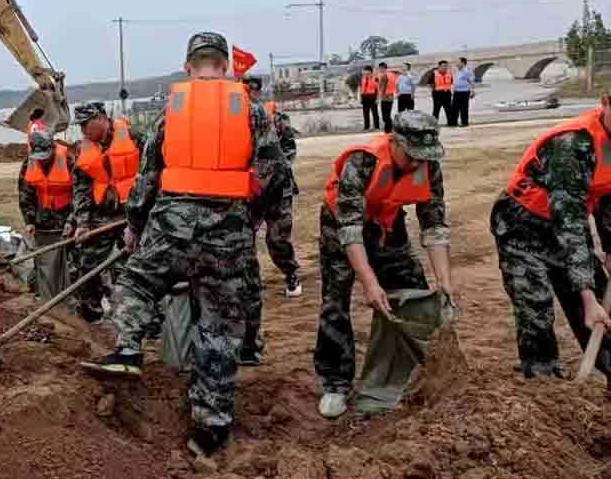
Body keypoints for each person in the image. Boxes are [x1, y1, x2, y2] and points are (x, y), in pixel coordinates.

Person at [82, 32, 288, 459]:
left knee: (137, 282)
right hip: (227, 233)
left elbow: (147, 176)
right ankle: (208, 430)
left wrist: (136, 224)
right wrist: (247, 218)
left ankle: (127, 349)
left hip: (170, 225)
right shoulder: (250, 109)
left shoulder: (170, 111)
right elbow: (273, 172)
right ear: (227, 66)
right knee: (219, 325)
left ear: (189, 66)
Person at [315, 110, 453, 419]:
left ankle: (411, 371)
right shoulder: (361, 163)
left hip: (388, 225)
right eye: (412, 156)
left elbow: (434, 225)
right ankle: (336, 383)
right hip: (341, 228)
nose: (418, 163)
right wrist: (370, 282)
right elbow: (349, 230)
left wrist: (444, 283)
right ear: (396, 142)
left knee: (417, 292)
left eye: (424, 156)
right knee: (335, 302)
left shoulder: (428, 165)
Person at [491, 96, 611, 381]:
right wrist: (587, 297)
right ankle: (542, 375)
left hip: (568, 219)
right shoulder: (571, 145)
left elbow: (606, 193)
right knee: (536, 305)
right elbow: (568, 224)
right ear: (605, 102)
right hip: (522, 224)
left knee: (600, 295)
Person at [240, 75, 303, 368]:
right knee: (243, 241)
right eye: (245, 90)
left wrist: (273, 169)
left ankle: (291, 273)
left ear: (258, 91)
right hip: (249, 192)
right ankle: (249, 286)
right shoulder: (237, 117)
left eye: (252, 90)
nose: (248, 94)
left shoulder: (276, 116)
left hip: (278, 189)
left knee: (277, 240)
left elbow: (288, 148)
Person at [71, 102, 145, 322]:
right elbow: (81, 191)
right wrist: (82, 223)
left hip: (132, 213)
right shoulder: (83, 149)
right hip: (101, 216)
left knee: (138, 266)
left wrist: (139, 219)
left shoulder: (135, 137)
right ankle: (91, 313)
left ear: (102, 118)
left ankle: (143, 319)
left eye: (87, 124)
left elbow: (152, 175)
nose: (84, 130)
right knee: (88, 263)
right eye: (80, 126)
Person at [18, 130, 75, 300]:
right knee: (43, 258)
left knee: (72, 257)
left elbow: (80, 193)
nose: (43, 160)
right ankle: (43, 293)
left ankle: (72, 294)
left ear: (52, 147)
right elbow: (25, 194)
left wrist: (72, 220)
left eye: (46, 156)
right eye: (39, 157)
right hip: (43, 219)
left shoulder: (69, 159)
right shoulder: (29, 162)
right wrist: (29, 220)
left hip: (66, 215)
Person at [452, 57, 475, 127]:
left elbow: (471, 81)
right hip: (456, 91)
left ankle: (464, 123)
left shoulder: (467, 71)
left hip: (464, 92)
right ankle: (454, 122)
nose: (457, 63)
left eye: (458, 62)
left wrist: (472, 91)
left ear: (463, 63)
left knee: (463, 108)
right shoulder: (457, 71)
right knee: (455, 107)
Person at [431, 60, 454, 126]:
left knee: (449, 110)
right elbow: (431, 84)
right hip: (437, 94)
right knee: (436, 110)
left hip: (447, 94)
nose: (445, 67)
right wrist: (433, 91)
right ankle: (434, 124)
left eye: (446, 66)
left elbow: (451, 82)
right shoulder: (434, 73)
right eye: (443, 66)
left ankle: (451, 123)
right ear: (439, 66)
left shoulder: (449, 73)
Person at [377, 62, 397, 133]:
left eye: (379, 68)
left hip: (385, 98)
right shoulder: (392, 75)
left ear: (382, 68)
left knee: (385, 117)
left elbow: (382, 88)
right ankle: (389, 129)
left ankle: (388, 130)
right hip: (391, 97)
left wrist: (378, 98)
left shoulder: (384, 76)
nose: (379, 70)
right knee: (387, 115)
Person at [359, 65, 380, 131]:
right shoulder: (362, 79)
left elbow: (378, 90)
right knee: (365, 113)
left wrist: (377, 99)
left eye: (367, 73)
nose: (365, 74)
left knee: (375, 113)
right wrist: (360, 98)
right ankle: (366, 127)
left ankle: (376, 127)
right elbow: (361, 89)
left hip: (372, 96)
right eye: (364, 73)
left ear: (371, 72)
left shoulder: (375, 78)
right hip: (364, 97)